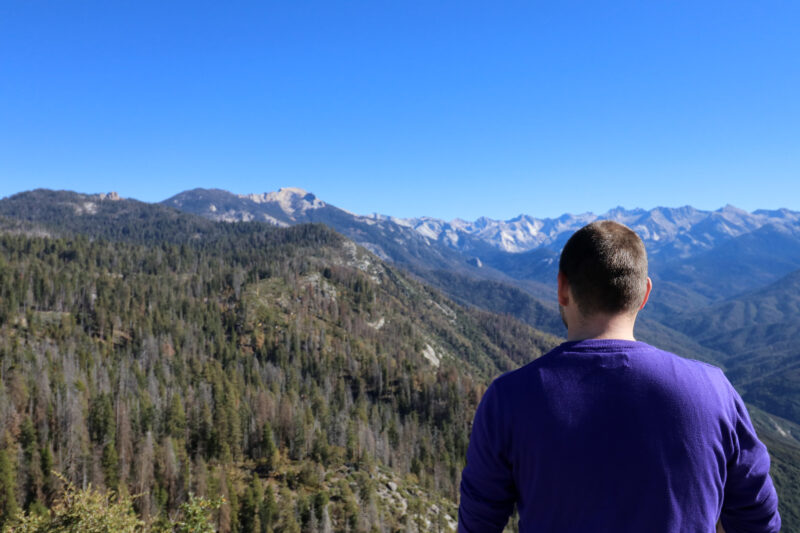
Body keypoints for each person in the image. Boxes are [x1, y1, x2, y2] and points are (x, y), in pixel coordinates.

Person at [458, 220, 780, 532]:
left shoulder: (509, 399)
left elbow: (477, 524)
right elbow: (758, 519)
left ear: (561, 288)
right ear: (645, 294)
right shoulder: (714, 391)